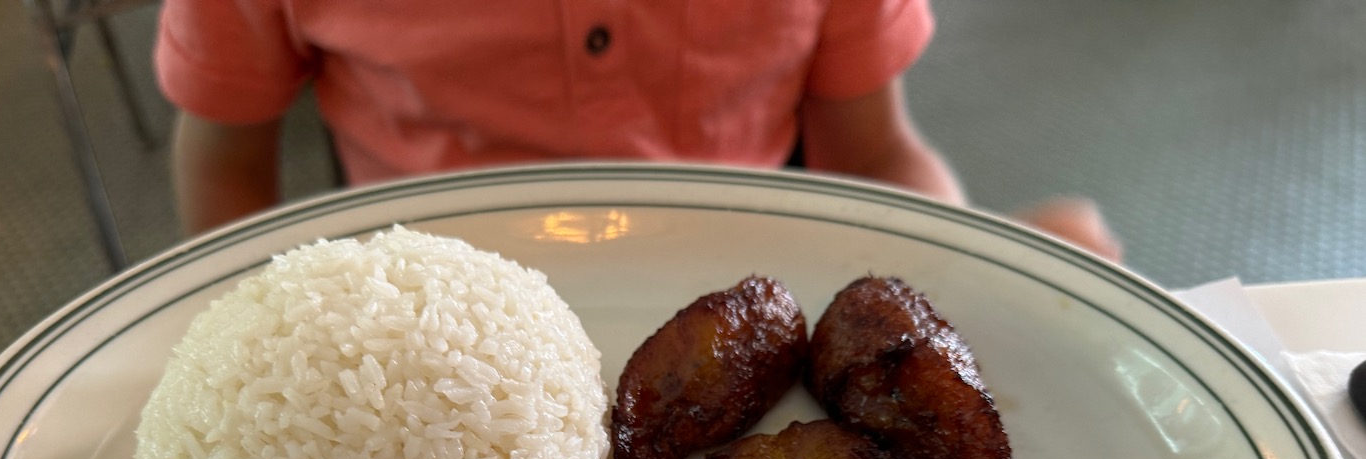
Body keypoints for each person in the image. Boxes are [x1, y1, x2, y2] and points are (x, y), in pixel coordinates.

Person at [154, 0, 1120, 260]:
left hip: (755, 298)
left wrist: (975, 272)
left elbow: (872, 150)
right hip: (435, 330)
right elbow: (226, 162)